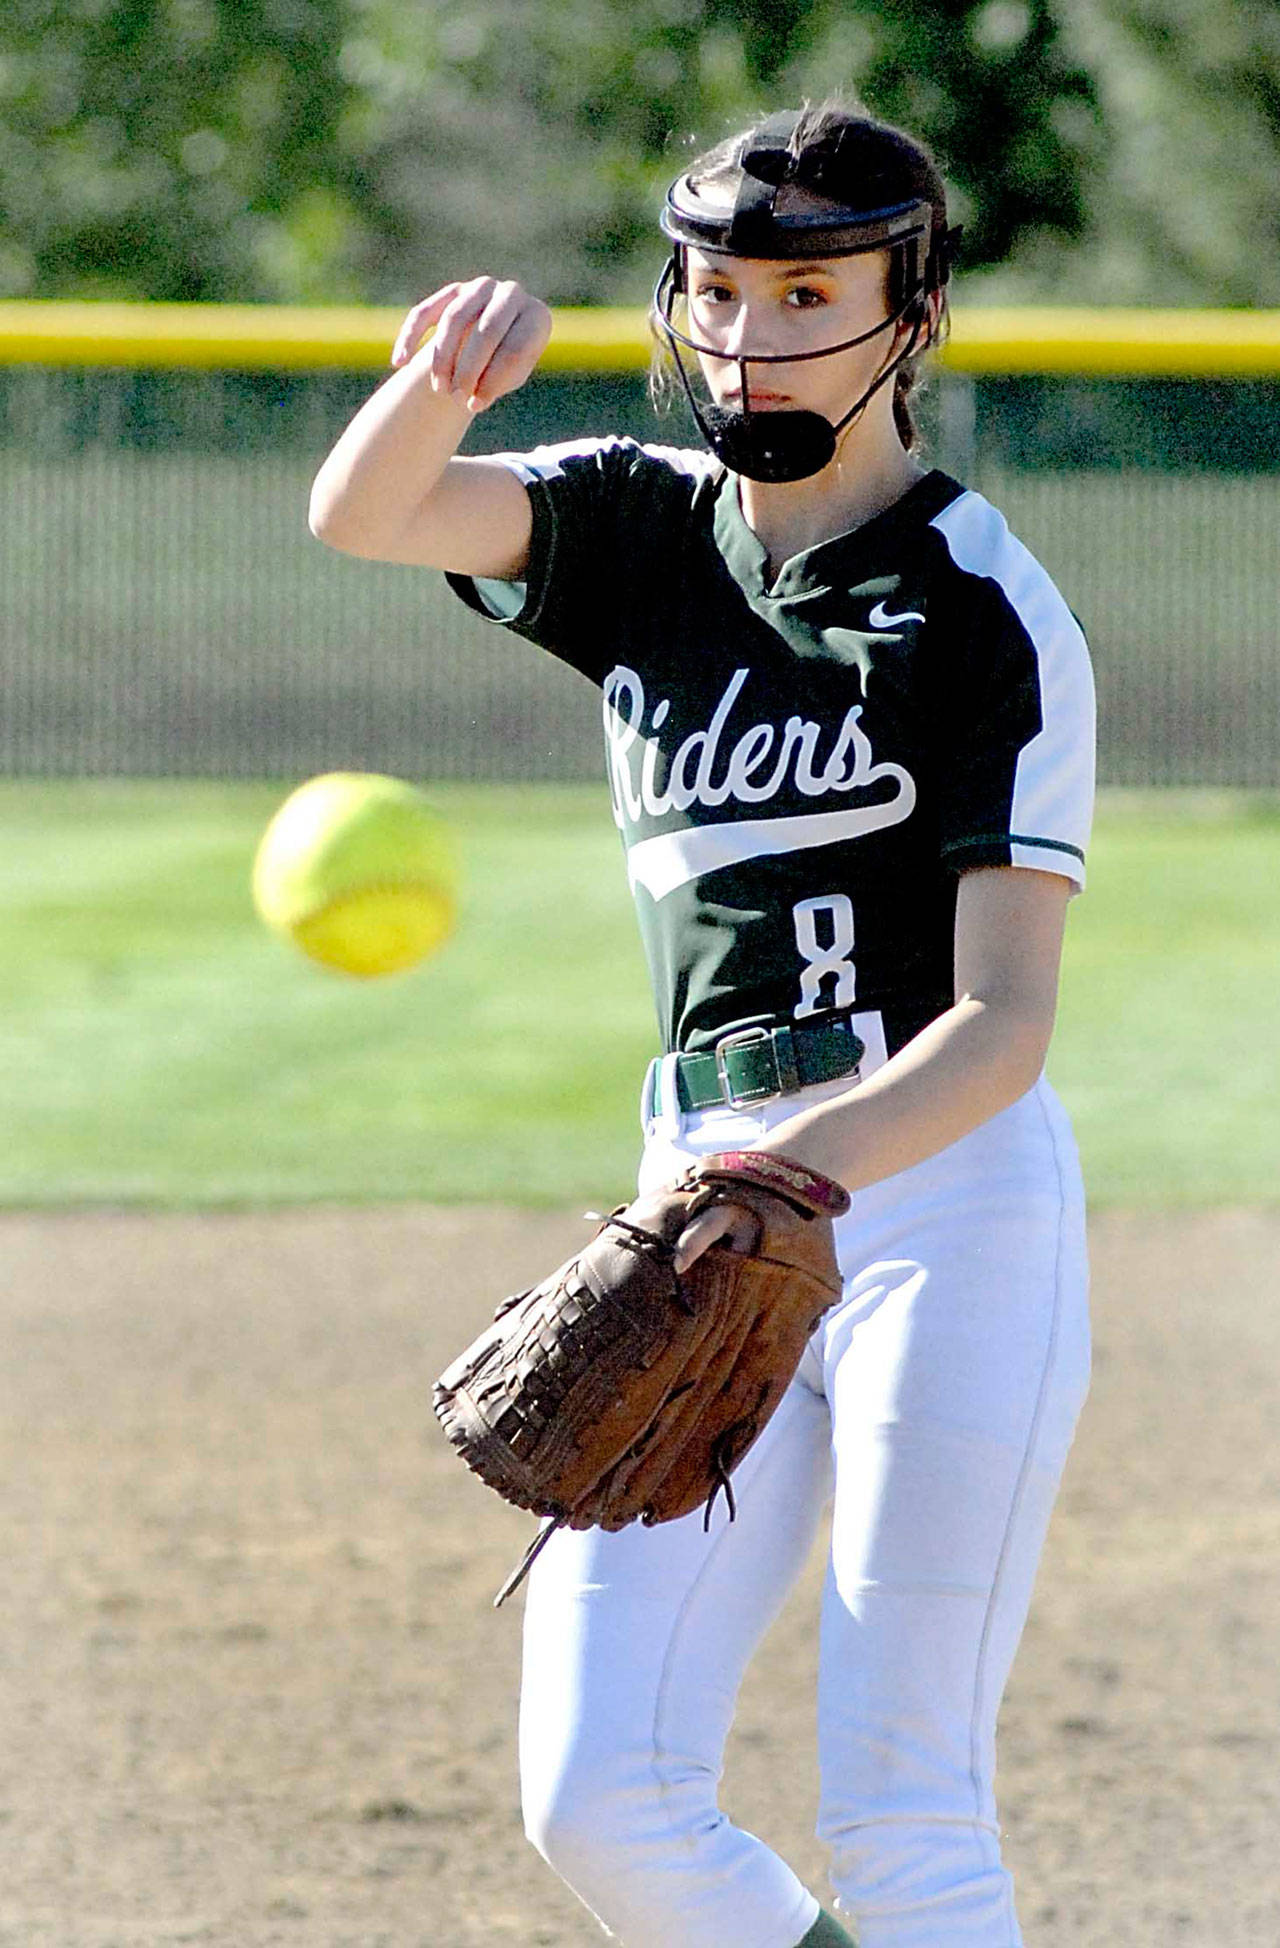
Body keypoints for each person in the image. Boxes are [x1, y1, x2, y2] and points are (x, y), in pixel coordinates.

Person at [310, 97, 1095, 1948]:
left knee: (907, 1807)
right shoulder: (636, 528)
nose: (751, 331)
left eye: (808, 287)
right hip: (701, 1187)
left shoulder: (987, 606)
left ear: (911, 311)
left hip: (938, 1208)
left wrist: (787, 1173)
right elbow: (368, 512)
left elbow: (1003, 1026)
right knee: (599, 1798)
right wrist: (441, 378)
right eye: (721, 290)